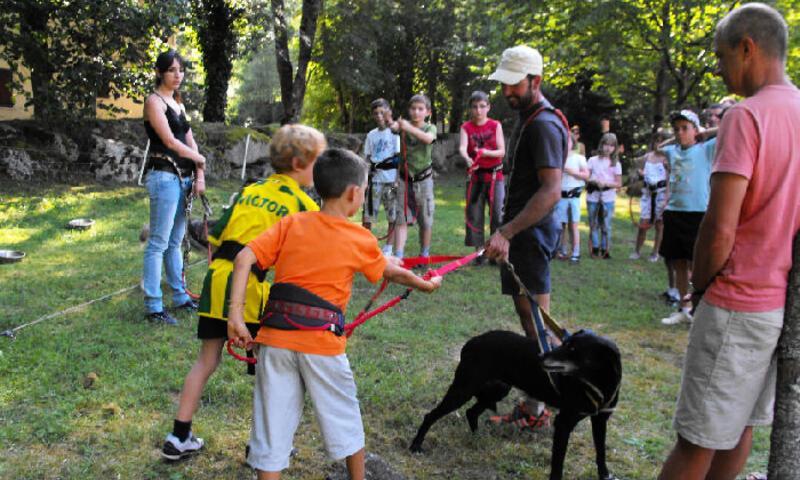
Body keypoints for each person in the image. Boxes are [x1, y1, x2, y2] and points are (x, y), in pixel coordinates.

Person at [227, 148, 442, 479]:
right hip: (322, 347)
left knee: (271, 429)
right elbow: (391, 271)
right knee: (345, 420)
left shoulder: (292, 223)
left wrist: (236, 318)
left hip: (274, 341)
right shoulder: (359, 236)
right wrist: (426, 284)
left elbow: (244, 258)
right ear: (355, 194)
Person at [659, 4, 800, 479]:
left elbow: (720, 227)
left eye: (722, 56)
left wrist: (699, 286)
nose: (719, 68)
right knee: (738, 429)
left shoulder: (745, 118)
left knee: (696, 440)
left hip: (736, 300)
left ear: (748, 47)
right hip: (777, 304)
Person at [160, 124, 326, 461]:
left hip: (217, 279)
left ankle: (179, 436)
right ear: (298, 164)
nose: (319, 170)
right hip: (249, 289)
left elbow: (215, 236)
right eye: (317, 162)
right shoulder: (304, 203)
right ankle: (263, 446)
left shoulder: (249, 191)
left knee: (206, 360)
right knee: (269, 372)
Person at [483, 45, 567, 428]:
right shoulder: (529, 116)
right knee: (529, 319)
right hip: (519, 237)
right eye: (504, 85)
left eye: (513, 85)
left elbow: (550, 191)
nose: (506, 93)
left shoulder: (545, 124)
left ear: (536, 80)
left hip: (530, 237)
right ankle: (540, 401)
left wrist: (507, 231)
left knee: (537, 323)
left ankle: (545, 404)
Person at [142, 50, 207, 325]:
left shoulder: (178, 104)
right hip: (164, 176)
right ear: (159, 72)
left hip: (185, 177)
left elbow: (191, 143)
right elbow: (169, 141)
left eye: (180, 70)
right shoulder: (154, 102)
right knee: (157, 242)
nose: (177, 75)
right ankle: (154, 306)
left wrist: (200, 172)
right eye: (171, 70)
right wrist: (199, 159)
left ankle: (180, 296)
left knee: (175, 241)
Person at [657, 109, 716, 325]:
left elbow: (726, 130)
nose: (680, 133)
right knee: (678, 263)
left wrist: (702, 132)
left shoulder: (706, 149)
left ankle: (701, 307)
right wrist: (677, 134)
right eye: (676, 129)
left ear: (695, 130)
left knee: (698, 264)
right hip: (675, 212)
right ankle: (684, 308)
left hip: (697, 213)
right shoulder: (672, 151)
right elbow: (658, 148)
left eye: (685, 128)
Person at [460, 90, 506, 262]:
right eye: (474, 107)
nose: (478, 110)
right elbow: (462, 148)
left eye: (482, 106)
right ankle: (479, 252)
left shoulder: (495, 125)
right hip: (476, 177)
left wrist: (486, 152)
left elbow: (502, 151)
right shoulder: (466, 127)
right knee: (474, 213)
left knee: (497, 215)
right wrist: (467, 158)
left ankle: (495, 251)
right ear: (470, 109)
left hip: (495, 177)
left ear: (488, 107)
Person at [392, 94, 437, 259]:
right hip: (404, 180)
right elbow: (393, 128)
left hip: (424, 181)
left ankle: (424, 255)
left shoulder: (430, 128)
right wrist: (392, 122)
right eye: (413, 108)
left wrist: (407, 128)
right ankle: (398, 256)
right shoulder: (403, 126)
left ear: (428, 112)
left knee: (425, 220)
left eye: (420, 109)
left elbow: (428, 140)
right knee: (401, 219)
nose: (416, 112)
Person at [362, 98, 400, 256]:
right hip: (375, 181)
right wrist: (365, 178)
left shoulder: (394, 133)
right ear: (372, 115)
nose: (379, 116)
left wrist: (397, 179)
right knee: (368, 215)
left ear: (388, 113)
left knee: (392, 214)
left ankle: (388, 247)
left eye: (382, 112)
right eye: (376, 113)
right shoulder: (371, 135)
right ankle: (366, 245)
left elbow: (398, 158)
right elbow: (367, 158)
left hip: (391, 181)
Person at [630, 133, 669, 262]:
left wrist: (666, 199)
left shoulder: (667, 159)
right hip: (647, 194)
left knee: (659, 225)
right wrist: (639, 173)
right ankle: (637, 251)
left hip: (661, 194)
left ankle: (655, 252)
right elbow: (636, 164)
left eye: (662, 141)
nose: (659, 144)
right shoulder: (647, 157)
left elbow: (670, 180)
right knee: (643, 223)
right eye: (657, 141)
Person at [554, 129, 589, 263]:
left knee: (573, 225)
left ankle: (576, 252)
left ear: (573, 143)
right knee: (560, 225)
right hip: (560, 196)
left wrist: (573, 172)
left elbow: (586, 176)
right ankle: (562, 250)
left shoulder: (579, 158)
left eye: (567, 140)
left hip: (574, 197)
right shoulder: (558, 159)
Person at [586, 133, 622, 259]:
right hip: (593, 197)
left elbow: (618, 183)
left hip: (608, 198)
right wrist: (594, 181)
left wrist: (606, 183)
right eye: (606, 144)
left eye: (612, 146)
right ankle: (595, 248)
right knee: (593, 223)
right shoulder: (592, 160)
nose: (608, 148)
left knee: (606, 224)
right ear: (601, 144)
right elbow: (586, 177)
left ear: (615, 148)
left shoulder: (616, 164)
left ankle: (605, 249)